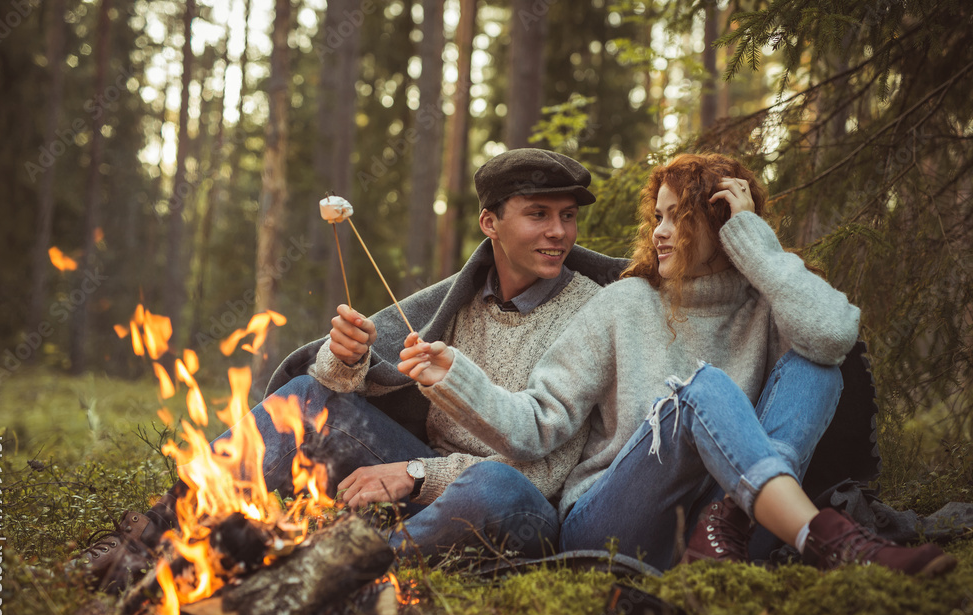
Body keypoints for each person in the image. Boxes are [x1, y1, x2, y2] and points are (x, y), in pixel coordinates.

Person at [76, 148, 630, 593]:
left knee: (495, 483)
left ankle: (316, 578)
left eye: (567, 216)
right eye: (538, 214)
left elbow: (545, 469)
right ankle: (151, 540)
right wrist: (347, 359)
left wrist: (417, 474)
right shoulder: (460, 303)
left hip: (517, 506)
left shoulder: (590, 308)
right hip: (432, 473)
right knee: (307, 399)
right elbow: (353, 389)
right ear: (490, 222)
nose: (559, 232)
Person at [399, 153, 957, 577]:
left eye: (680, 217)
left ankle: (734, 521)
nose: (660, 231)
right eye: (658, 217)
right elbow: (538, 423)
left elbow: (833, 335)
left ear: (722, 226)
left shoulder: (765, 304)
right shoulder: (623, 302)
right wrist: (457, 375)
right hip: (616, 524)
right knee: (699, 391)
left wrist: (757, 250)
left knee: (818, 366)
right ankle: (819, 534)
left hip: (724, 537)